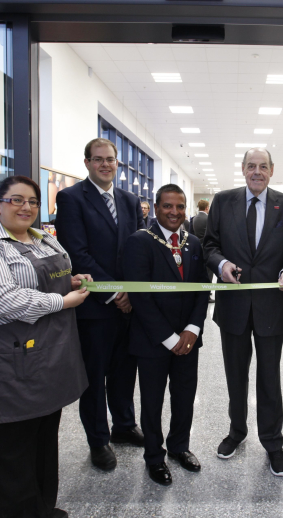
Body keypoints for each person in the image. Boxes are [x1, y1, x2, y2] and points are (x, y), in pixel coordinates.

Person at [0, 175, 90, 518]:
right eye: (16, 200)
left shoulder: (45, 240)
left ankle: (42, 508)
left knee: (43, 441)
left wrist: (71, 281)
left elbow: (50, 280)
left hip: (43, 354)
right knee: (12, 450)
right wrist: (62, 302)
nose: (25, 207)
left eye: (32, 201)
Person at [203, 147, 283, 477]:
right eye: (251, 166)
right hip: (233, 306)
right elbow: (209, 245)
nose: (257, 171)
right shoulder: (223, 201)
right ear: (243, 169)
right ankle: (237, 431)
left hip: (270, 307)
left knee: (269, 377)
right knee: (235, 375)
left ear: (272, 170)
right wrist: (221, 264)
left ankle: (272, 442)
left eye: (263, 166)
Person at [55, 138, 145, 472]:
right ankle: (98, 439)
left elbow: (139, 249)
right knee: (94, 377)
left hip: (128, 306)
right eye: (98, 159)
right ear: (87, 163)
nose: (105, 165)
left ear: (117, 163)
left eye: (110, 159)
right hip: (95, 307)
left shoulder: (129, 200)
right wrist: (114, 291)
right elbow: (76, 253)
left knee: (124, 371)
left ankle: (124, 425)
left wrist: (131, 291)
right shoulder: (71, 198)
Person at [123, 184, 210, 486]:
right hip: (152, 340)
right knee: (152, 401)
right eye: (168, 206)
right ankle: (154, 456)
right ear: (156, 207)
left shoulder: (193, 243)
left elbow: (202, 289)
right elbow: (140, 297)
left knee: (184, 396)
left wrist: (192, 329)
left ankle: (179, 446)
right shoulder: (139, 241)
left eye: (180, 207)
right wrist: (170, 338)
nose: (174, 212)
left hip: (189, 339)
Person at [190, 199, 215, 301]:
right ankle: (207, 294)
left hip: (197, 247)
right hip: (207, 248)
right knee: (208, 273)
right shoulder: (208, 218)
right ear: (207, 207)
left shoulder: (194, 218)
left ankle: (202, 292)